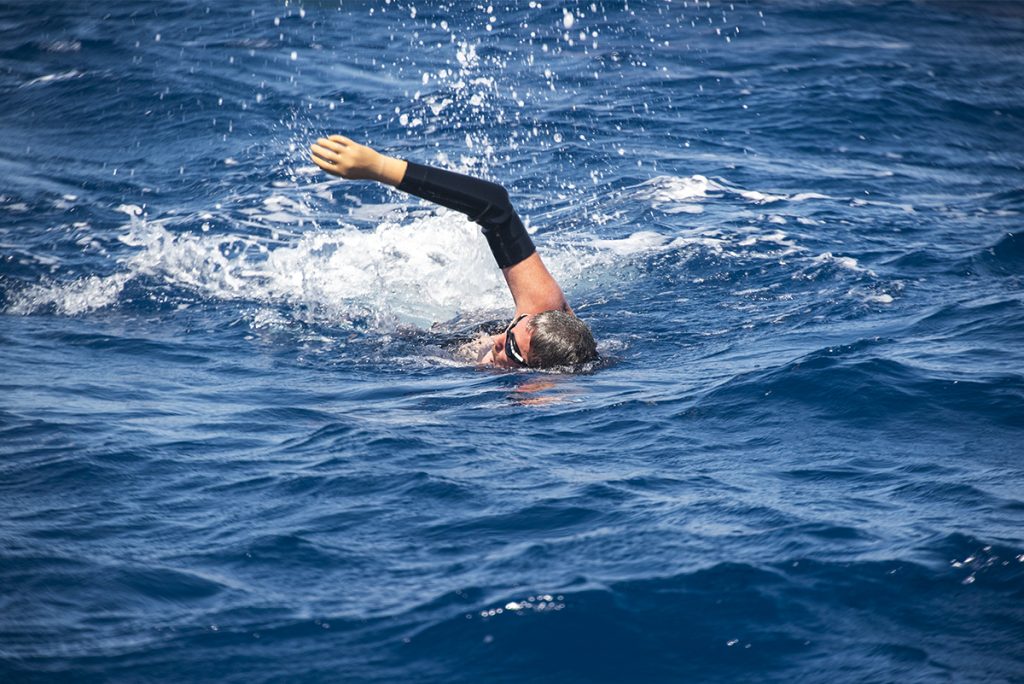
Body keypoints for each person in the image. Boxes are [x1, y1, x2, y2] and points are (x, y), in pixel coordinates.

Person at [310, 135, 598, 370]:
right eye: (513, 330)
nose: (499, 341)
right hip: (456, 329)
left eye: (512, 350)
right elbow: (494, 206)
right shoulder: (542, 310)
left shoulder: (544, 384)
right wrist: (379, 167)